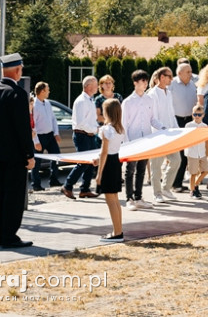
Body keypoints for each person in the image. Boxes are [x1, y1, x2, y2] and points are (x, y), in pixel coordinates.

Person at [0, 53, 36, 248]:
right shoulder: (18, 93)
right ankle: (9, 236)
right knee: (14, 197)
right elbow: (22, 129)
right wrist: (29, 154)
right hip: (15, 155)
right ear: (17, 70)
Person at [121, 69, 162, 210]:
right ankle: (129, 199)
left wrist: (163, 128)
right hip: (132, 141)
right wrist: (126, 143)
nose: (145, 84)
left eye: (146, 81)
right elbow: (124, 124)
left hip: (146, 141)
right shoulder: (127, 102)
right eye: (142, 81)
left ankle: (139, 197)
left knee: (142, 170)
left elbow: (152, 119)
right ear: (135, 83)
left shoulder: (149, 99)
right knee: (130, 170)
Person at [62, 75, 101, 200]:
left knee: (91, 162)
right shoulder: (81, 101)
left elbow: (92, 120)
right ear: (88, 86)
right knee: (83, 163)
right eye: (95, 85)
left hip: (89, 135)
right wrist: (95, 129)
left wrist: (97, 130)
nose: (97, 87)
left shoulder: (90, 100)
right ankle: (67, 185)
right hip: (81, 135)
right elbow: (80, 123)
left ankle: (85, 189)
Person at [147, 67, 180, 203]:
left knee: (176, 160)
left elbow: (171, 114)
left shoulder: (169, 92)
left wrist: (177, 130)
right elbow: (152, 117)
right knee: (156, 166)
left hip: (170, 134)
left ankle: (166, 188)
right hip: (157, 136)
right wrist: (162, 129)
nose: (171, 79)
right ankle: (157, 193)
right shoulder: (152, 94)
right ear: (161, 77)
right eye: (169, 76)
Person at [95, 98, 126, 242]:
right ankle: (118, 230)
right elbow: (109, 151)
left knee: (110, 200)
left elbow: (104, 152)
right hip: (116, 162)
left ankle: (117, 233)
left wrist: (99, 173)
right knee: (115, 199)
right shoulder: (119, 128)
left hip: (108, 164)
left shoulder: (106, 129)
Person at [169, 62, 198, 192]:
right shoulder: (172, 85)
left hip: (189, 121)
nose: (190, 74)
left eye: (191, 71)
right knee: (178, 154)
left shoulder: (193, 85)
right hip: (176, 121)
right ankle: (173, 183)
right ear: (179, 73)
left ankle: (178, 183)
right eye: (187, 72)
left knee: (186, 154)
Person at [30, 82, 61, 191]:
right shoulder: (34, 105)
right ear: (42, 91)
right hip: (39, 137)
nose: (49, 91)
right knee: (37, 161)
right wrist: (36, 141)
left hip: (50, 136)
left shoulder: (47, 103)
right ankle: (36, 184)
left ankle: (54, 179)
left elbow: (53, 119)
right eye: (47, 89)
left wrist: (56, 133)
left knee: (56, 156)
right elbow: (32, 125)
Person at [184, 105, 208, 198]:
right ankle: (193, 190)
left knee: (206, 170)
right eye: (195, 114)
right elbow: (185, 139)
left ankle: (196, 185)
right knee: (193, 173)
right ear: (192, 115)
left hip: (202, 152)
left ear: (203, 115)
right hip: (192, 152)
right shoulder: (188, 125)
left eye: (199, 114)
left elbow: (207, 141)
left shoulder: (205, 126)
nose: (197, 116)